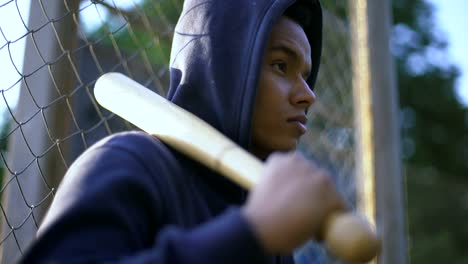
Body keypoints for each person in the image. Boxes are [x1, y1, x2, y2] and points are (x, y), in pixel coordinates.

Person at [20, 0, 346, 263]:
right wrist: (250, 233)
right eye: (280, 66)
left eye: (305, 74)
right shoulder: (131, 164)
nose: (308, 95)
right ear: (224, 64)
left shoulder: (270, 217)